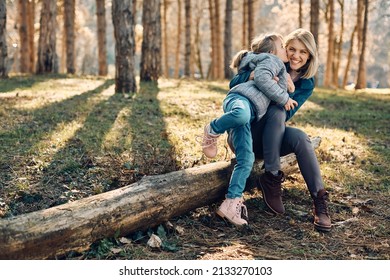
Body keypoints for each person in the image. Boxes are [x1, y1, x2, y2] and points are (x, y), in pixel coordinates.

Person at [229, 28, 332, 232]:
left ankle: (320, 201)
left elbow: (287, 113)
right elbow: (234, 83)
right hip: (245, 133)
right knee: (278, 110)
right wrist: (256, 76)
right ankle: (273, 175)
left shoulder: (307, 83)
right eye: (292, 49)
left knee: (300, 136)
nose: (296, 55)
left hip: (271, 135)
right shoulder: (274, 61)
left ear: (310, 55)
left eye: (303, 52)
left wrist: (282, 91)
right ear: (285, 49)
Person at [199, 33, 297, 226]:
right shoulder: (272, 60)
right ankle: (212, 128)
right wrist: (284, 97)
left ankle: (231, 202)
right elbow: (261, 78)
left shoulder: (274, 65)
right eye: (282, 45)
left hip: (251, 111)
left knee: (246, 159)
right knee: (242, 115)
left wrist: (286, 83)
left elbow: (290, 87)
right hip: (240, 101)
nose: (286, 48)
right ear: (272, 51)